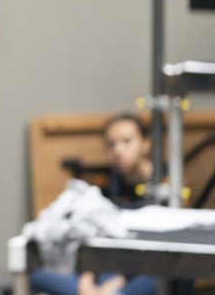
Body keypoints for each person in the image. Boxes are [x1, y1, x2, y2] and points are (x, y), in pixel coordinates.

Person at [29, 114, 158, 295]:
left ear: (146, 143)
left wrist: (116, 284)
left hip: (145, 270)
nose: (118, 150)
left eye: (126, 141)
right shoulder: (101, 187)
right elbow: (89, 233)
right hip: (106, 267)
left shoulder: (166, 185)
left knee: (169, 277)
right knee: (35, 275)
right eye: (111, 144)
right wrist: (86, 282)